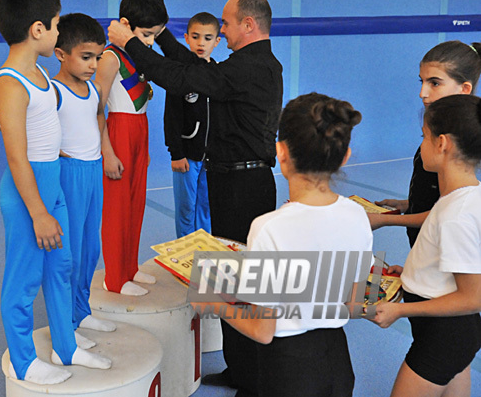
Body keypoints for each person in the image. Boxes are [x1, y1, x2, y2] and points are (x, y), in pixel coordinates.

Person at [108, 0, 283, 396]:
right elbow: (193, 65)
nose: (219, 30)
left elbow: (184, 77)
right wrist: (163, 33)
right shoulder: (245, 64)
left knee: (242, 284)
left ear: (248, 25)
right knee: (227, 277)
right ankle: (238, 368)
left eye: (225, 23)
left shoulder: (252, 67)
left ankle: (253, 377)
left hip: (245, 187)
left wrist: (129, 43)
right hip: (229, 180)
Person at [193, 92, 369, 397]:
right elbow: (354, 305)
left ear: (281, 152)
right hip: (338, 363)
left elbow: (262, 331)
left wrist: (211, 302)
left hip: (288, 370)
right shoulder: (358, 215)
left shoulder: (268, 227)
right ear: (345, 155)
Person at [0, 0, 109, 386]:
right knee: (23, 280)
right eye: (56, 25)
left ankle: (66, 345)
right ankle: (23, 361)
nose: (59, 32)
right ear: (38, 30)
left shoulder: (39, 74)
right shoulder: (10, 82)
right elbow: (16, 157)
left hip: (53, 182)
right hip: (28, 192)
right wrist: (38, 212)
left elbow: (42, 127)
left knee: (62, 266)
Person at [371, 94, 481, 397]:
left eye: (424, 137)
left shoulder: (455, 215)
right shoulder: (464, 197)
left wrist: (400, 312)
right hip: (455, 332)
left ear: (442, 143)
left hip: (444, 335)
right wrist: (410, 275)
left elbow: (472, 298)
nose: (421, 146)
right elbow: (449, 264)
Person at [94, 0, 168, 296]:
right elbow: (95, 107)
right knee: (117, 209)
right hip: (119, 131)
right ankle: (115, 278)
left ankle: (130, 268)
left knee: (136, 205)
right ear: (125, 25)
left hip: (140, 131)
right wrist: (107, 152)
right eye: (146, 34)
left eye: (154, 36)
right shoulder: (111, 57)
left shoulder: (140, 56)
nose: (150, 42)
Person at [369, 41, 481, 246]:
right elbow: (440, 199)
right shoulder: (439, 129)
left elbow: (448, 211)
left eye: (434, 83)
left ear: (464, 88)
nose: (423, 92)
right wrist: (407, 205)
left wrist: (386, 219)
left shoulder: (462, 141)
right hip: (425, 251)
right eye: (422, 81)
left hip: (441, 249)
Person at [52, 13, 117, 340]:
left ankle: (82, 310)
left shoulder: (92, 91)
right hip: (69, 174)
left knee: (91, 249)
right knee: (70, 255)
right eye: (86, 57)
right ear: (61, 54)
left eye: (98, 57)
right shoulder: (52, 91)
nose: (93, 65)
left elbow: (98, 120)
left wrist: (104, 153)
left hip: (92, 172)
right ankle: (65, 324)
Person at [163, 12, 220, 238]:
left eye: (207, 38)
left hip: (212, 159)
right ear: (186, 38)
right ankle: (184, 263)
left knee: (206, 208)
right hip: (186, 157)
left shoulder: (219, 74)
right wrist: (176, 153)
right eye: (196, 37)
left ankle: (203, 258)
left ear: (217, 41)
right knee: (186, 210)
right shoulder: (180, 74)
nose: (201, 43)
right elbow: (172, 116)